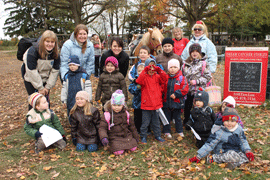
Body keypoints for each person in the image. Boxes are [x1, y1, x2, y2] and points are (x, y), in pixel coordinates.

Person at [189, 107, 254, 170]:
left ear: (236, 121)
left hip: (235, 151)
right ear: (223, 121)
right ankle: (213, 158)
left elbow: (243, 141)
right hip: (221, 152)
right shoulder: (219, 131)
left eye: (232, 121)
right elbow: (210, 144)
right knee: (232, 155)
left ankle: (233, 164)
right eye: (227, 121)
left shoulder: (239, 129)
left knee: (245, 157)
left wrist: (247, 150)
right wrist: (199, 156)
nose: (229, 123)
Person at [22, 30, 60, 109]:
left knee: (45, 101)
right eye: (47, 41)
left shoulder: (55, 53)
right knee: (35, 102)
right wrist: (40, 87)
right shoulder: (32, 52)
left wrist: (47, 87)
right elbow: (31, 71)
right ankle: (32, 120)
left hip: (45, 79)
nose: (50, 44)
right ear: (43, 41)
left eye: (52, 42)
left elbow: (55, 71)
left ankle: (46, 119)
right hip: (31, 79)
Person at [136, 58, 167, 143]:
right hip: (146, 105)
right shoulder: (144, 77)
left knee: (156, 122)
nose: (151, 69)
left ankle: (158, 135)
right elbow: (138, 81)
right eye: (149, 66)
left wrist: (159, 70)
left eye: (153, 66)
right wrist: (145, 70)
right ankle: (143, 136)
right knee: (145, 123)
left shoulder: (157, 76)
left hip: (156, 105)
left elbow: (164, 79)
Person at [99, 90, 140, 155]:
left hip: (125, 135)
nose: (116, 107)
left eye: (119, 105)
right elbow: (102, 128)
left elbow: (131, 126)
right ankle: (116, 147)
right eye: (114, 105)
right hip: (114, 137)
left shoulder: (126, 113)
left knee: (133, 147)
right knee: (118, 151)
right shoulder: (107, 114)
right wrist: (104, 137)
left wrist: (136, 136)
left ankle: (127, 144)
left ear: (123, 105)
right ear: (111, 104)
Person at [182, 43, 212, 126]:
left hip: (199, 90)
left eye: (196, 51)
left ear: (199, 52)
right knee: (187, 107)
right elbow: (182, 76)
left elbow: (208, 77)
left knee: (198, 107)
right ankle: (187, 121)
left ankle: (199, 122)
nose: (194, 53)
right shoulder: (185, 64)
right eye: (192, 51)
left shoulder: (203, 64)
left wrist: (197, 81)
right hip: (188, 90)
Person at [61, 55, 92, 123]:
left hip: (82, 99)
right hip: (71, 99)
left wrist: (88, 98)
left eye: (74, 65)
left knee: (82, 112)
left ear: (78, 65)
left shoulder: (84, 75)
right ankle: (72, 124)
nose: (72, 67)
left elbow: (88, 87)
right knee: (71, 112)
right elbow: (64, 89)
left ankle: (82, 124)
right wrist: (64, 100)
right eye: (70, 65)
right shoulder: (67, 76)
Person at [162, 59, 189, 138]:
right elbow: (162, 88)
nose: (172, 69)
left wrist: (177, 94)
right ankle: (166, 131)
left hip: (177, 102)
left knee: (177, 118)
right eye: (171, 67)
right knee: (166, 117)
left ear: (178, 68)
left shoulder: (181, 78)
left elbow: (185, 88)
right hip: (166, 102)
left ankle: (179, 131)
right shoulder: (165, 78)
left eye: (175, 67)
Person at [128, 63, 145, 133]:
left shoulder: (147, 79)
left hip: (145, 103)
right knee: (137, 117)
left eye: (142, 71)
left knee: (144, 117)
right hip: (137, 102)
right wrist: (137, 87)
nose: (140, 72)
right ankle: (137, 129)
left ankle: (145, 129)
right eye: (139, 71)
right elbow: (131, 89)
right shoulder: (135, 80)